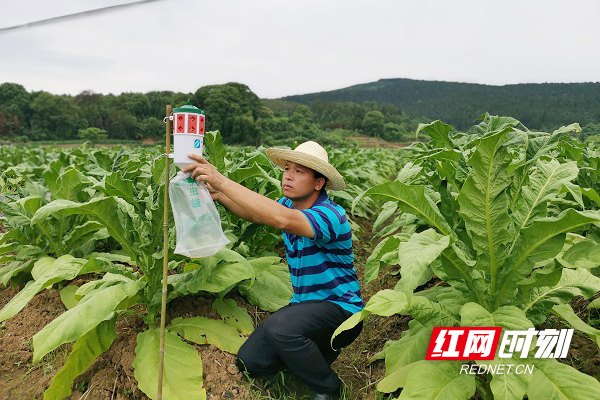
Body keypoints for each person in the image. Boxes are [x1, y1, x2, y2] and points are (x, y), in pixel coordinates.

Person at [183, 141, 364, 400]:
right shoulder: (289, 205)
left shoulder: (331, 215)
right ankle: (315, 355)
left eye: (299, 171)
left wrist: (222, 181)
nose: (288, 175)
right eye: (287, 169)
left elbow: (281, 219)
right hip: (305, 307)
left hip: (342, 311)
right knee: (251, 361)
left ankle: (328, 388)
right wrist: (219, 195)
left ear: (319, 183)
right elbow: (255, 214)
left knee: (280, 328)